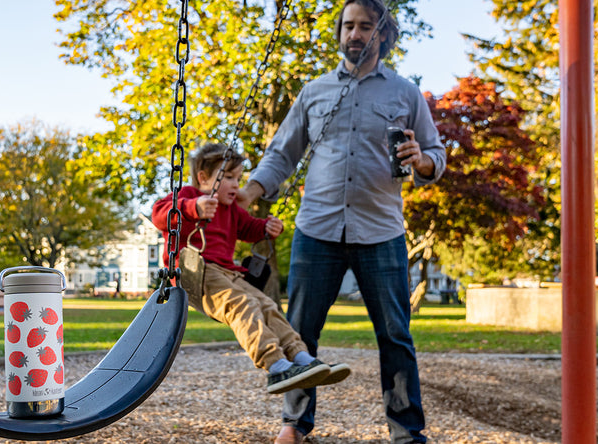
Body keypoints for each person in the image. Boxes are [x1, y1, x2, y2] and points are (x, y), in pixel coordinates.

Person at [235, 1, 447, 443]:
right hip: (318, 230)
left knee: (395, 338)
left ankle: (407, 434)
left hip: (382, 231)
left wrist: (423, 161)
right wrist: (251, 191)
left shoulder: (405, 93)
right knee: (300, 335)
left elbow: (436, 153)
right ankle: (294, 425)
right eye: (348, 25)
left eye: (365, 26)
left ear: (382, 35)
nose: (354, 33)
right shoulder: (314, 92)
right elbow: (282, 154)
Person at [152, 142, 352, 396]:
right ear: (203, 178)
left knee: (267, 305)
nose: (237, 185)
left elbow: (248, 228)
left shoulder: (231, 209)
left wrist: (267, 228)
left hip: (229, 273)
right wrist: (194, 208)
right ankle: (276, 365)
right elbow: (159, 214)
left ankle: (301, 357)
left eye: (239, 178)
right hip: (197, 273)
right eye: (228, 177)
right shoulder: (189, 195)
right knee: (243, 304)